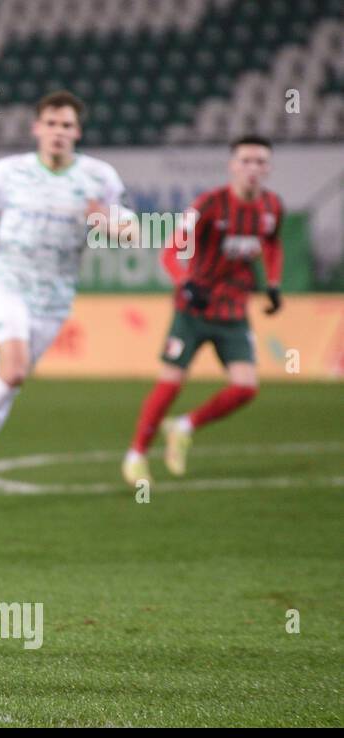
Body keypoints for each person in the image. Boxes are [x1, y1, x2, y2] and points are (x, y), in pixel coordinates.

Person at [0, 90, 135, 510]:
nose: (59, 132)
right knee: (15, 370)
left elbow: (128, 228)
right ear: (36, 128)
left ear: (77, 132)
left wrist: (110, 224)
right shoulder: (9, 172)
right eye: (52, 124)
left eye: (67, 125)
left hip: (54, 296)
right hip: (6, 281)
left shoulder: (99, 177)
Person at [122, 135, 283, 484]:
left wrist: (273, 283)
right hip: (192, 311)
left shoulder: (272, 207)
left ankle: (183, 426)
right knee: (170, 384)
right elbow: (171, 250)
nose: (252, 168)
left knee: (246, 388)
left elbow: (272, 245)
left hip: (233, 313)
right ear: (232, 165)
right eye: (246, 161)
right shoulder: (210, 204)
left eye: (260, 162)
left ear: (268, 168)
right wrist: (185, 282)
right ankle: (136, 455)